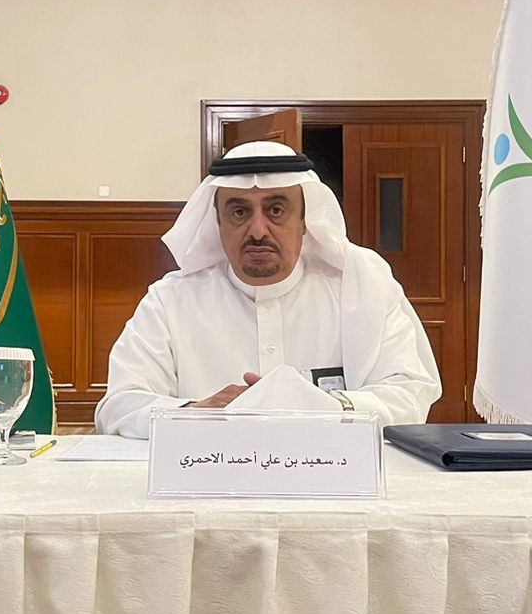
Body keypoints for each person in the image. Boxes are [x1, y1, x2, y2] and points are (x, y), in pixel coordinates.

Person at [94, 140, 442, 437]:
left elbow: (409, 396)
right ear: (218, 222)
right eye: (239, 212)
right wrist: (196, 412)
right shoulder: (170, 301)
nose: (258, 230)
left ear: (304, 221)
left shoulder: (364, 288)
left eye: (276, 210)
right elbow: (119, 406)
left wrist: (322, 406)